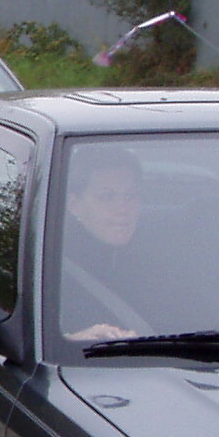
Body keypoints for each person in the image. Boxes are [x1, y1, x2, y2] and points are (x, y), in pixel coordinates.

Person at [59, 145, 152, 343]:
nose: (123, 209)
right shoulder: (46, 267)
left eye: (131, 196)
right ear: (73, 204)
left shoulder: (159, 266)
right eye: (107, 197)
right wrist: (69, 341)